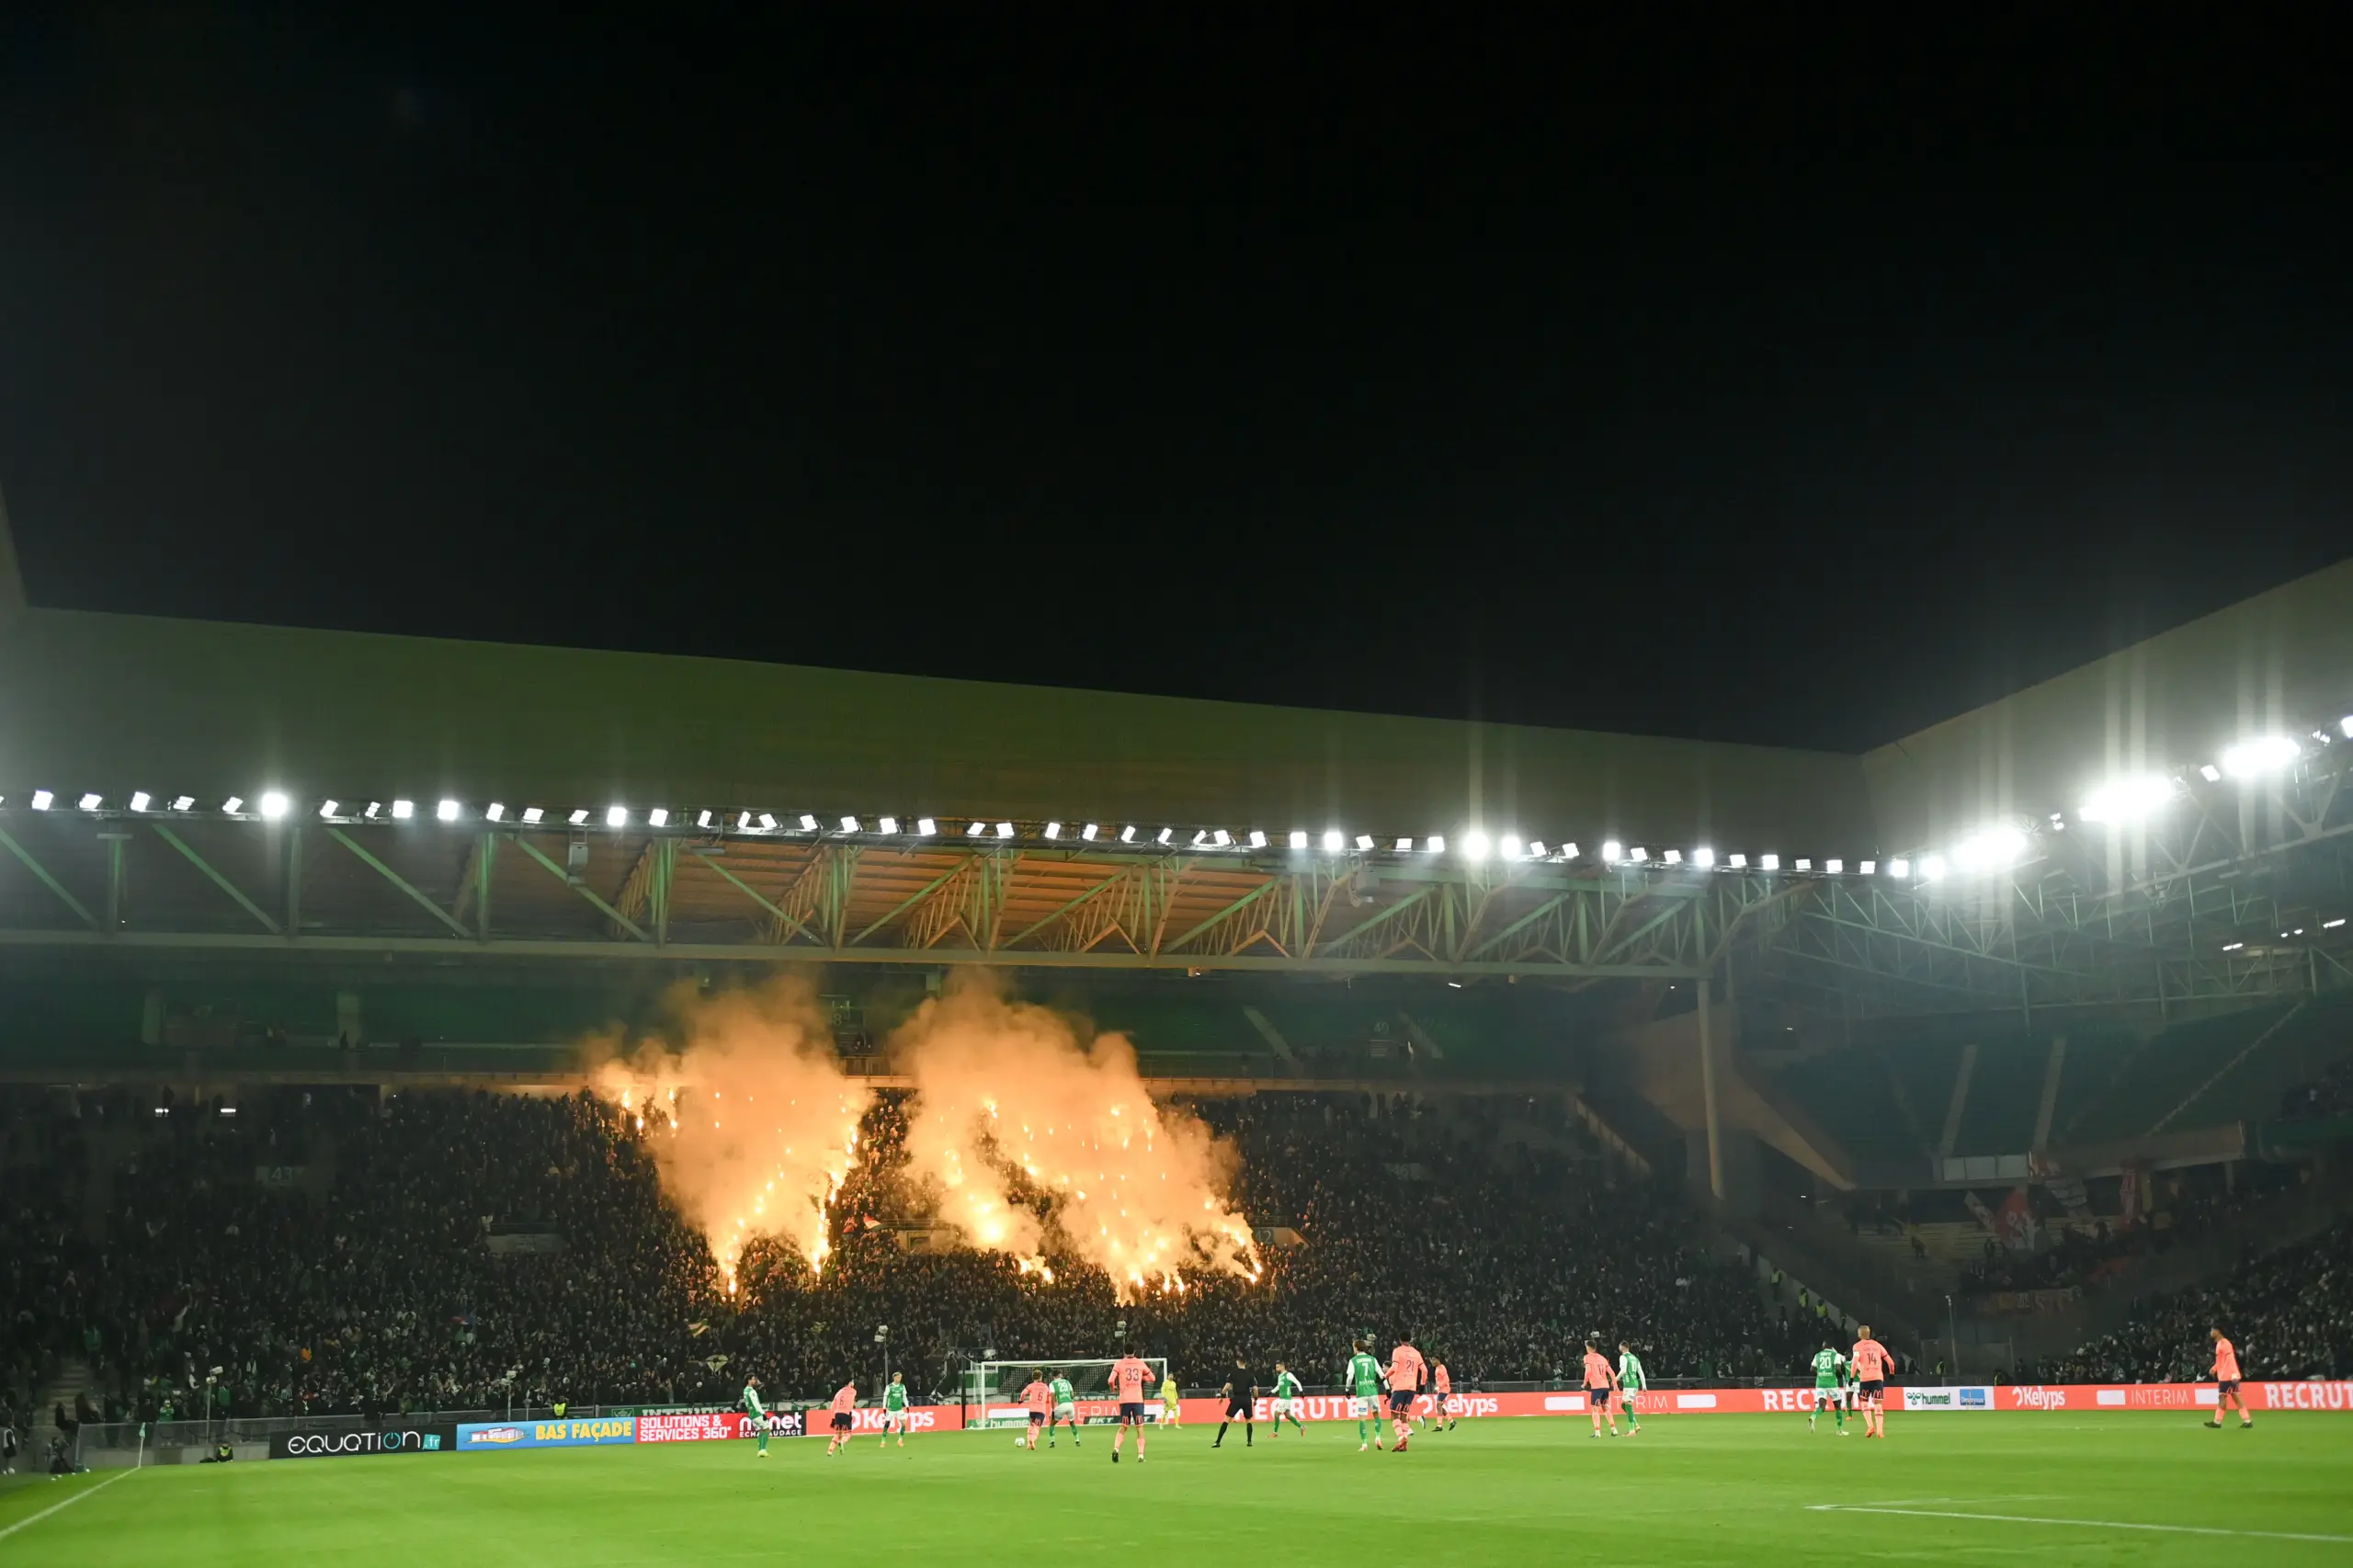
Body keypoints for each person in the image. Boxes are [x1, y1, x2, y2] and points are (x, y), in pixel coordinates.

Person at [1108, 1347, 1154, 1464]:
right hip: (1137, 1400)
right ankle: (1141, 1455)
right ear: (1134, 1352)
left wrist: (1113, 1387)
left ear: (1124, 1352)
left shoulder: (1119, 1364)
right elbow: (1152, 1378)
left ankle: (1116, 1449)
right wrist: (1141, 1378)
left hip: (1124, 1400)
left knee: (1124, 1427)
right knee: (1140, 1428)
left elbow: (1110, 1380)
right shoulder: (1140, 1363)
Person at [2204, 1327, 2252, 1430]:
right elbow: (2222, 1360)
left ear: (2218, 1331)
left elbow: (2230, 1359)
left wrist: (2232, 1374)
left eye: (2213, 1330)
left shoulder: (2224, 1343)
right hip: (2230, 1375)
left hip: (2227, 1376)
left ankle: (2217, 1422)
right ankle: (2247, 1420)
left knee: (2222, 1397)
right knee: (2236, 1397)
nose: (2211, 1332)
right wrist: (2214, 1368)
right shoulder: (2221, 1343)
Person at [1347, 1338, 1389, 1451]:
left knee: (1362, 1419)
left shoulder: (1353, 1361)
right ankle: (1378, 1437)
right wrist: (1387, 1388)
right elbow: (1381, 1375)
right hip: (1373, 1392)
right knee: (1377, 1415)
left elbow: (1350, 1377)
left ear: (1356, 1348)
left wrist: (1347, 1389)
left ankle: (1364, 1444)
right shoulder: (1372, 1359)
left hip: (1361, 1393)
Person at [1849, 1327, 1891, 1440]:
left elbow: (1854, 1363)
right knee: (1878, 1405)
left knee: (1864, 1403)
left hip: (1865, 1378)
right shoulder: (1878, 1345)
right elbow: (1890, 1362)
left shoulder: (1857, 1346)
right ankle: (1880, 1432)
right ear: (1869, 1334)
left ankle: (1870, 1426)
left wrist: (1852, 1377)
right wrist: (1891, 1373)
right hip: (1877, 1378)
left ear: (1859, 1334)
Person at [1387, 1336, 1427, 1452]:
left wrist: (1384, 1377)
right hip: (1412, 1387)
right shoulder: (1416, 1353)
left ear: (1400, 1340)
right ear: (1411, 1340)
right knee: (1404, 1416)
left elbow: (1394, 1368)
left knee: (1394, 1415)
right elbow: (1424, 1370)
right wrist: (1422, 1385)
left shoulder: (1397, 1351)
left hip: (1400, 1386)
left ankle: (1401, 1438)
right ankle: (1404, 1445)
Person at [1213, 1357, 1256, 1449]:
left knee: (1227, 1419)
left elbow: (1226, 1387)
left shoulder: (1233, 1374)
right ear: (1245, 1363)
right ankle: (1249, 1441)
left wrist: (1222, 1397)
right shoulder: (1250, 1375)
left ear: (1237, 1363)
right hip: (1247, 1399)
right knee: (1248, 1420)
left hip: (1236, 1399)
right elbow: (1255, 1388)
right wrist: (1255, 1399)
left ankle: (1218, 1442)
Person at [1806, 1342, 1847, 1435]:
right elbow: (1837, 1368)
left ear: (1823, 1346)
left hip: (1820, 1383)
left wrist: (1820, 1374)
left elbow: (1812, 1369)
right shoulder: (1835, 1355)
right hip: (1832, 1384)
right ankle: (1839, 1430)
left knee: (1821, 1406)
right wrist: (1842, 1375)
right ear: (1832, 1347)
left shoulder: (1818, 1355)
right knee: (1837, 1406)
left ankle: (1813, 1416)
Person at [1582, 1340, 1620, 1437]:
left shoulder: (1587, 1357)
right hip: (1605, 1386)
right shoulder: (1602, 1358)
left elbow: (1588, 1371)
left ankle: (1597, 1432)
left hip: (1596, 1386)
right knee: (1605, 1407)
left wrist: (1585, 1383)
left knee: (1595, 1409)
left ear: (1588, 1348)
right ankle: (1614, 1429)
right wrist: (1615, 1384)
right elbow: (1611, 1372)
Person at [1615, 1344, 1645, 1436]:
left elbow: (1623, 1370)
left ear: (1622, 1347)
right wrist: (1644, 1385)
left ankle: (1632, 1430)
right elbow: (1641, 1372)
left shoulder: (1623, 1357)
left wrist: (1615, 1379)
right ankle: (1636, 1425)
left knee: (1628, 1404)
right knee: (1624, 1405)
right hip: (1635, 1384)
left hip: (1629, 1384)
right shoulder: (1635, 1358)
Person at [1269, 1362, 1306, 1437]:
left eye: (1278, 1367)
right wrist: (1271, 1392)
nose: (1276, 1369)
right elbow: (1279, 1386)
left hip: (1286, 1398)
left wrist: (1301, 1391)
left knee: (1276, 1414)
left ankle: (1275, 1432)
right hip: (1284, 1398)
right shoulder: (1280, 1376)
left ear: (1282, 1367)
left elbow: (1297, 1382)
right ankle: (1302, 1427)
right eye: (1276, 1367)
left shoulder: (1288, 1375)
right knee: (1288, 1415)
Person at [1020, 1369, 1053, 1450]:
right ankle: (1032, 1440)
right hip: (1040, 1411)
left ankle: (1029, 1444)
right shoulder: (1045, 1387)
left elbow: (1023, 1393)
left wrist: (1021, 1400)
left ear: (1033, 1377)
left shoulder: (1031, 1386)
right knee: (1036, 1427)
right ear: (1041, 1377)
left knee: (1031, 1426)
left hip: (1032, 1411)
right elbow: (1049, 1399)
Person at [1047, 1370, 1080, 1448]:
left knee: (1052, 1423)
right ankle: (1077, 1440)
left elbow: (1052, 1397)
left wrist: (1053, 1409)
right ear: (1060, 1375)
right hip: (1070, 1405)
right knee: (1072, 1422)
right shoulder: (1067, 1382)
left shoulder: (1052, 1384)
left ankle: (1052, 1442)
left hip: (1061, 1405)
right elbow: (1072, 1395)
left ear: (1053, 1376)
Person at [825, 1378, 858, 1455]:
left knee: (838, 1433)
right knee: (848, 1433)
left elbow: (832, 1406)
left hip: (837, 1414)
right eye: (852, 1382)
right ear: (850, 1383)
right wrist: (850, 1412)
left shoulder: (838, 1392)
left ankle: (830, 1451)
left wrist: (833, 1418)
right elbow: (851, 1403)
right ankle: (842, 1442)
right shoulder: (853, 1391)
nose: (853, 1383)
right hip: (846, 1413)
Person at [741, 1374, 771, 1458]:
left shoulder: (745, 1390)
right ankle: (763, 1450)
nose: (755, 1381)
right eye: (753, 1379)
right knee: (767, 1429)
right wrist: (763, 1413)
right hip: (757, 1414)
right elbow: (756, 1404)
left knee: (761, 1431)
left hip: (752, 1414)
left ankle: (760, 1451)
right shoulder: (752, 1391)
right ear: (749, 1380)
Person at [880, 1371, 912, 1449]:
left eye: (900, 1378)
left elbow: (904, 1397)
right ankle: (883, 1441)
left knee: (904, 1424)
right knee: (887, 1424)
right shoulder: (889, 1387)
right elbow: (885, 1397)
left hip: (899, 1409)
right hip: (891, 1409)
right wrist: (884, 1407)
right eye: (898, 1377)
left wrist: (907, 1406)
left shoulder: (902, 1386)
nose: (899, 1379)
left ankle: (900, 1440)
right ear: (894, 1378)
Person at [1430, 1359, 1455, 1433]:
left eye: (1433, 1360)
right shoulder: (1437, 1368)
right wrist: (1437, 1385)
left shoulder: (1442, 1368)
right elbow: (1439, 1379)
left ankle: (1439, 1426)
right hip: (1441, 1390)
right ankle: (1452, 1421)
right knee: (1440, 1407)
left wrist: (1439, 1386)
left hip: (1444, 1389)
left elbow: (1446, 1379)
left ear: (1438, 1360)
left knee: (1438, 1406)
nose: (1432, 1362)